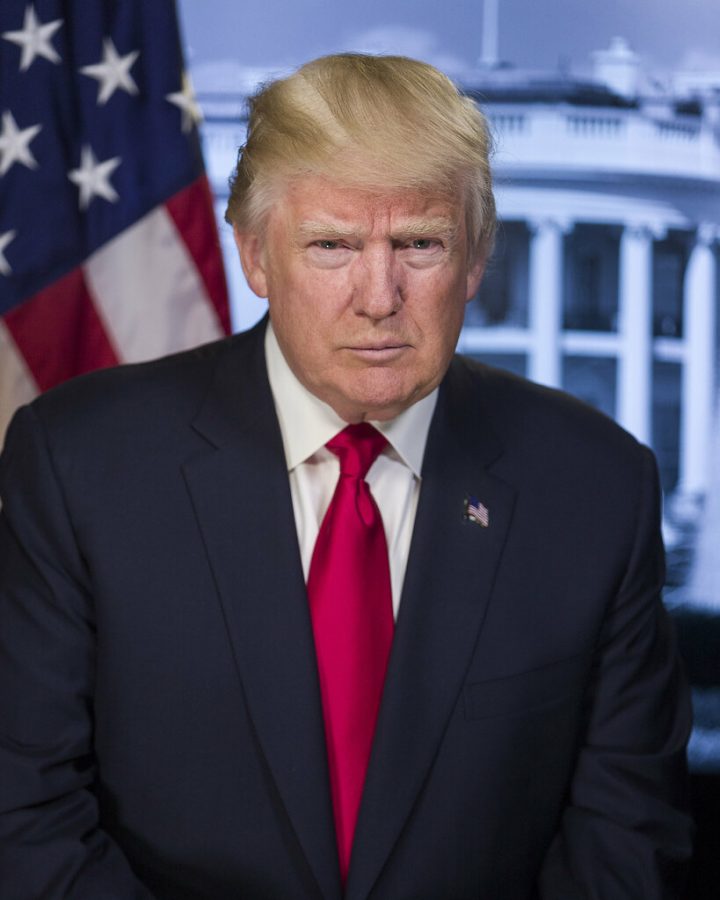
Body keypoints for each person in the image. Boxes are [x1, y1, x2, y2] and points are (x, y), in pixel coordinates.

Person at [0, 53, 693, 899]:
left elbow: (626, 833)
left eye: (420, 245)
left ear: (475, 261)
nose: (378, 295)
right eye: (331, 244)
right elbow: (24, 807)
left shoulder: (596, 487)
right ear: (255, 256)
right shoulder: (80, 462)